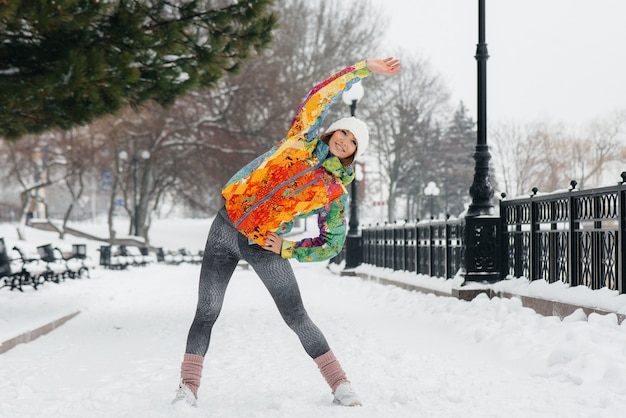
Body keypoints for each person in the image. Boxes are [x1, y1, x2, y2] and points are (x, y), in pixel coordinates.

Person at [172, 57, 401, 407]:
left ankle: (340, 384)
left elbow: (333, 242)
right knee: (207, 310)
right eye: (343, 131)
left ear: (356, 152)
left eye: (353, 140)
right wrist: (363, 68)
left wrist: (288, 248)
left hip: (263, 244)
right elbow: (320, 95)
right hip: (224, 228)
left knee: (295, 315)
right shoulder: (302, 137)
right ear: (332, 131)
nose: (344, 139)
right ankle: (187, 388)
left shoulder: (334, 191)